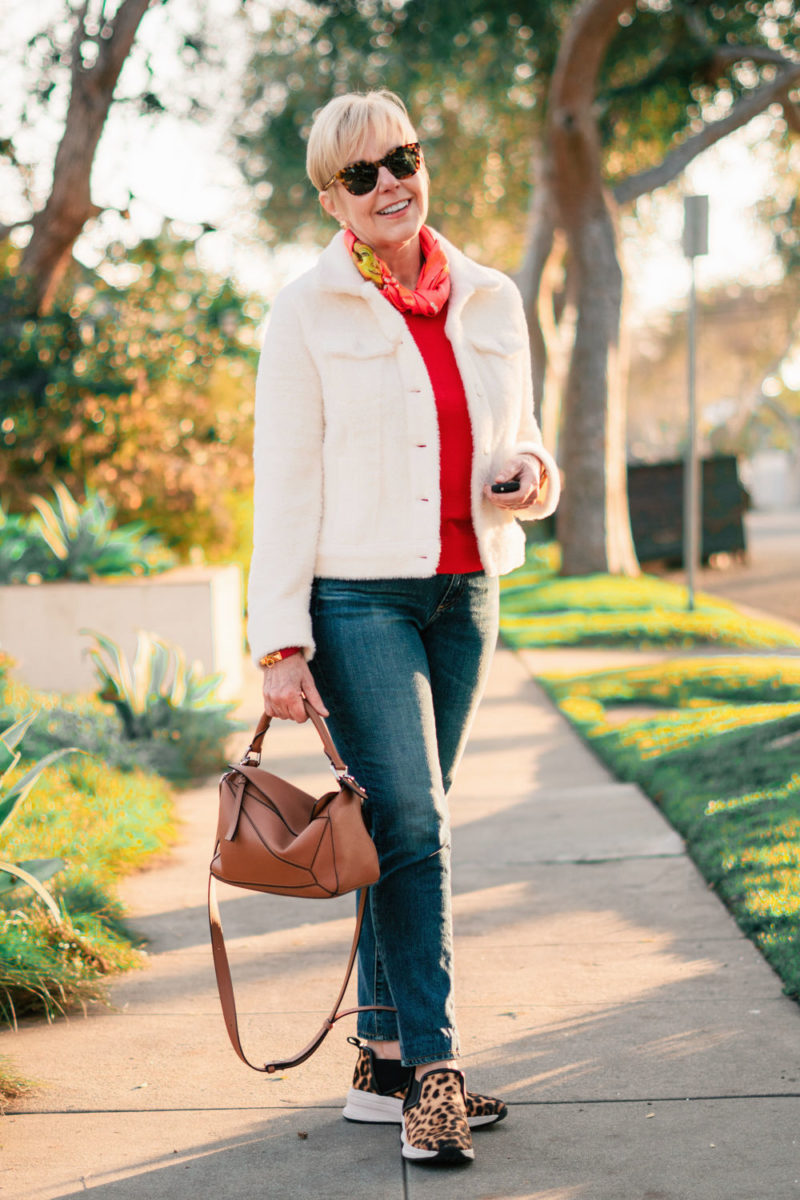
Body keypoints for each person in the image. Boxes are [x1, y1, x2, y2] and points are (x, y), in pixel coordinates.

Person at [247, 90, 560, 1167]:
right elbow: (283, 481)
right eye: (361, 174)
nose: (390, 184)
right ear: (331, 198)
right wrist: (279, 643)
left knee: (401, 832)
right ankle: (434, 1077)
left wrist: (529, 477)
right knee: (416, 826)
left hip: (466, 592)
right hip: (357, 599)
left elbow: (519, 443)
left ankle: (379, 1062)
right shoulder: (307, 310)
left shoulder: (488, 296)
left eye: (402, 159)